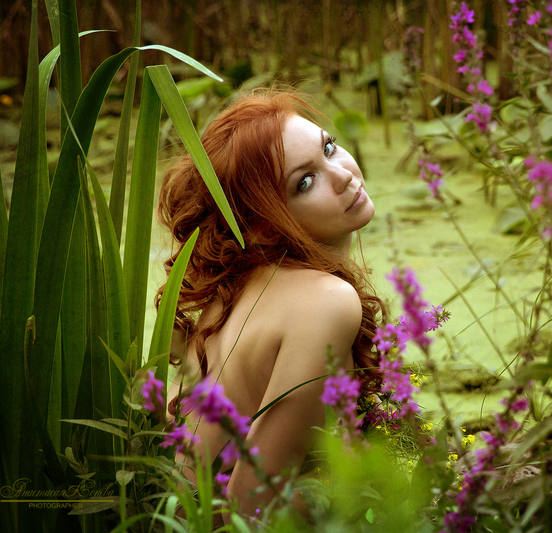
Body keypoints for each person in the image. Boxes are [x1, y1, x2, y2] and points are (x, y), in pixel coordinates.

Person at [156, 88, 384, 519]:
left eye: (329, 148)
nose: (343, 174)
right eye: (304, 182)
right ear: (261, 227)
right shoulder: (326, 302)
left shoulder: (238, 290)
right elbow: (251, 504)